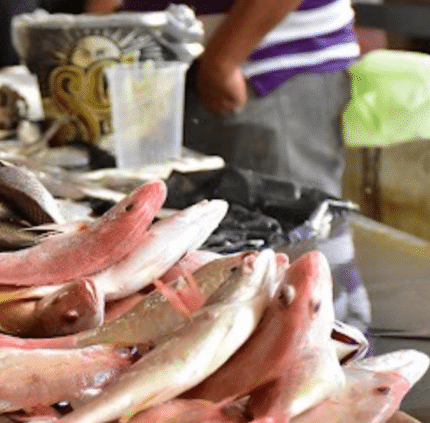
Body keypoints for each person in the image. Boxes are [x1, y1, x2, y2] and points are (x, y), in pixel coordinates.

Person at [116, 0, 370, 330]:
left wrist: (222, 61)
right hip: (193, 63)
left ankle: (341, 346)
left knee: (292, 255)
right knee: (229, 259)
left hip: (263, 65)